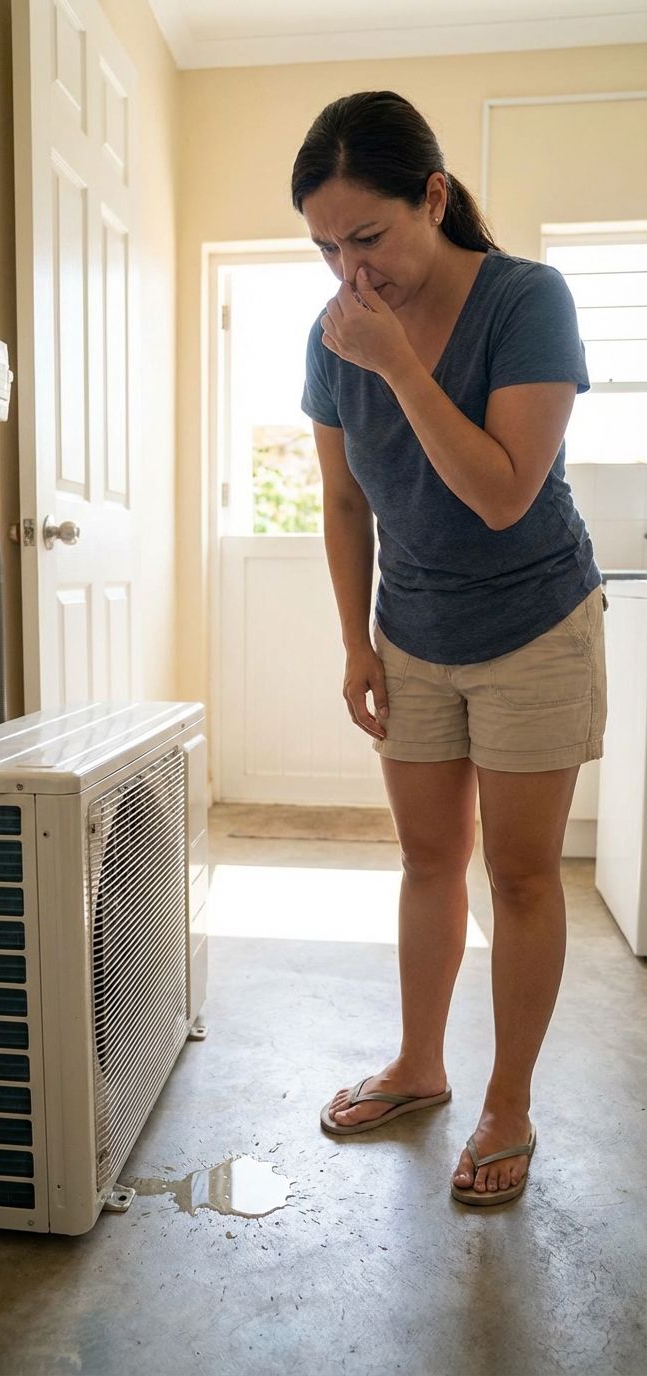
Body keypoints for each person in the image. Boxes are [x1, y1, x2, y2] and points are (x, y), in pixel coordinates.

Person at [292, 91, 606, 1206]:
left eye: (368, 237)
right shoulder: (335, 333)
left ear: (433, 195)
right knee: (428, 860)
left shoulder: (528, 300)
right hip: (411, 630)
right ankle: (420, 1065)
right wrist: (354, 643)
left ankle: (508, 1101)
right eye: (327, 245)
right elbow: (341, 502)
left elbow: (502, 492)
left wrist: (398, 365)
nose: (351, 270)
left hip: (533, 621)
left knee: (518, 874)